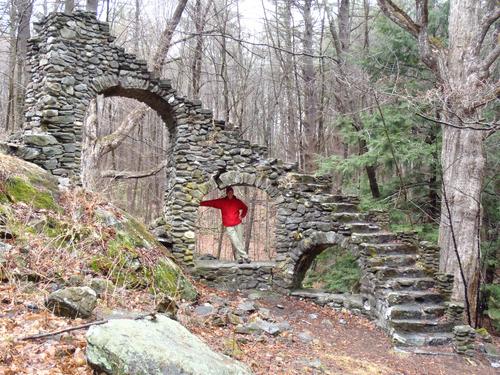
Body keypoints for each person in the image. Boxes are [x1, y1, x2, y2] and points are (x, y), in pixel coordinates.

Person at [200, 186, 250, 263]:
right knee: (235, 240)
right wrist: (200, 203)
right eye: (229, 192)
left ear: (233, 193)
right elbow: (211, 203)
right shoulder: (222, 202)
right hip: (228, 225)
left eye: (231, 192)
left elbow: (245, 208)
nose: (230, 194)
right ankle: (245, 256)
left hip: (238, 223)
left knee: (239, 241)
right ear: (227, 193)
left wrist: (242, 216)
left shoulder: (237, 201)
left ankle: (239, 258)